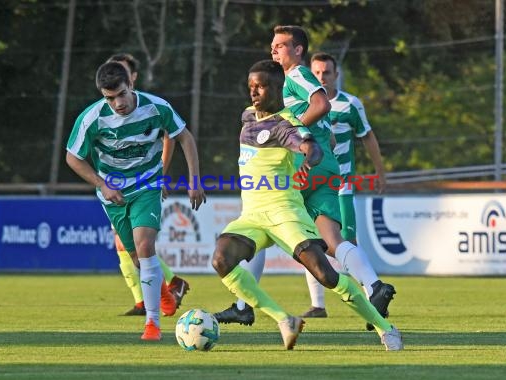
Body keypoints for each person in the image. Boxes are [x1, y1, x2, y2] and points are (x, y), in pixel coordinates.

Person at [211, 59, 403, 351]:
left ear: (278, 88)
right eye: (251, 86)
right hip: (252, 216)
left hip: (285, 213)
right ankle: (283, 319)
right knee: (221, 260)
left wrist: (309, 157)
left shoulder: (287, 123)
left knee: (327, 275)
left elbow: (308, 145)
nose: (254, 92)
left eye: (261, 86)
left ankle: (385, 328)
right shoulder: (247, 116)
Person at [66, 61, 206, 341]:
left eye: (120, 94)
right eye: (109, 97)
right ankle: (165, 293)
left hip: (147, 186)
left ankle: (152, 324)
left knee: (145, 246)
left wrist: (194, 180)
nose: (117, 103)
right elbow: (73, 157)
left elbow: (184, 138)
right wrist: (102, 185)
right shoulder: (91, 118)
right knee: (135, 256)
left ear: (130, 85)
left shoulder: (156, 107)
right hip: (114, 193)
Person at [303, 52, 389, 327]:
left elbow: (368, 136)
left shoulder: (350, 104)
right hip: (313, 185)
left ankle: (373, 300)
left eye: (326, 72)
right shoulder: (305, 103)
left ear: (335, 74)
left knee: (346, 243)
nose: (321, 77)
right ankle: (318, 305)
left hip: (341, 184)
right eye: (316, 72)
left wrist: (380, 172)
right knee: (310, 242)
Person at [106, 53, 190, 316]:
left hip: (144, 185)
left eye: (122, 71)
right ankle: (152, 294)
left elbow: (172, 137)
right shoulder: (109, 110)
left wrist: (160, 175)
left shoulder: (149, 106)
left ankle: (154, 296)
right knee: (125, 244)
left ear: (132, 78)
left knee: (133, 244)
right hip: (118, 185)